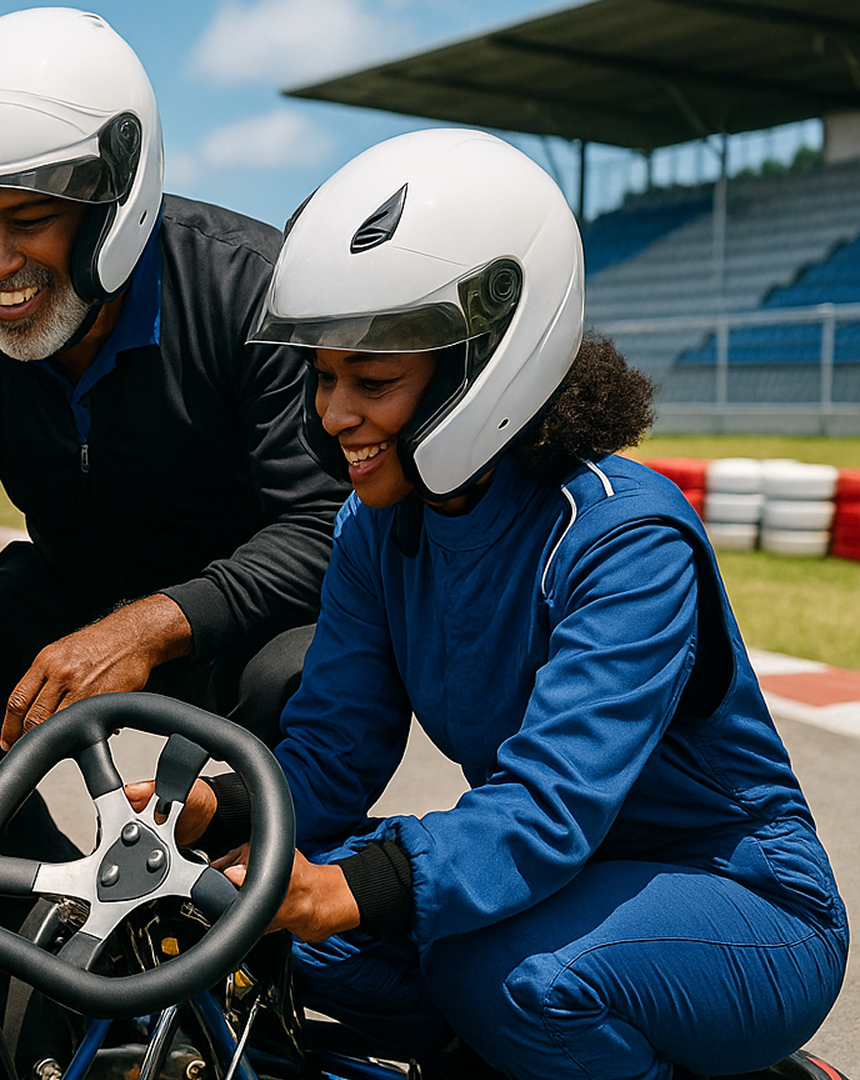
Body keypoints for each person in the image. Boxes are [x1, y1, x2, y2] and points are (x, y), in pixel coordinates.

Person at [145, 128, 847, 1079]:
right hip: (548, 884)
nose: (332, 414)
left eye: (373, 381)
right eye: (322, 376)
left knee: (499, 975)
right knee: (235, 924)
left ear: (485, 366)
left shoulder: (625, 536)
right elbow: (333, 753)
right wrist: (218, 811)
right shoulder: (374, 527)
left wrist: (350, 887)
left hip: (737, 892)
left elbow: (553, 805)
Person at [0, 7, 346, 864]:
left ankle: (250, 907)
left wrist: (149, 626)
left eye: (26, 220)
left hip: (234, 617)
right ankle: (32, 899)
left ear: (113, 204)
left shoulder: (255, 290)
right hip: (68, 588)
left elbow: (322, 526)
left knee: (308, 673)